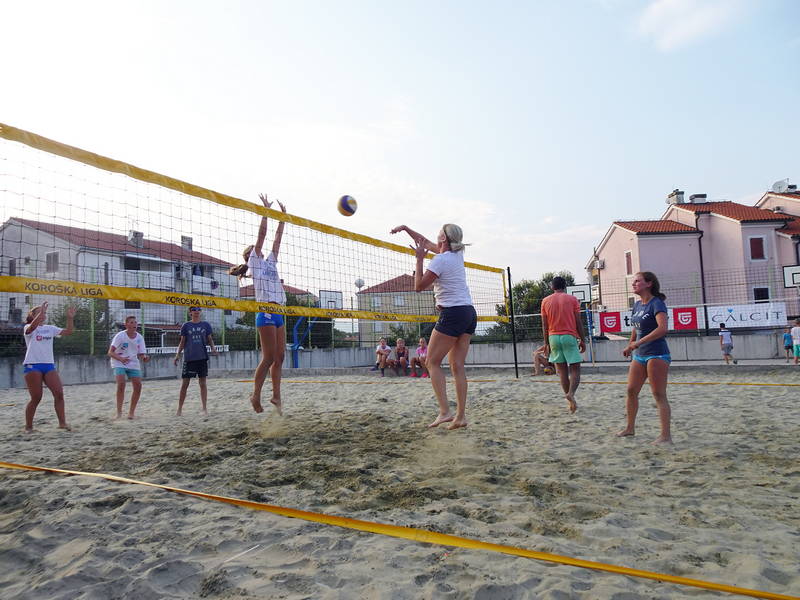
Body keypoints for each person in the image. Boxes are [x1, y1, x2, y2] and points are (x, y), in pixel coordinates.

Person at [391, 223, 475, 430]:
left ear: (444, 238)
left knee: (431, 362)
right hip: (469, 313)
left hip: (452, 313)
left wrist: (419, 259)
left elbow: (419, 287)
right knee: (457, 366)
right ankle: (460, 417)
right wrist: (406, 229)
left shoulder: (440, 260)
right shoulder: (456, 255)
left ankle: (445, 412)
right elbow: (425, 241)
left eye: (439, 233)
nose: (435, 235)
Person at [228, 193, 287, 414]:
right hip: (266, 311)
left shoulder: (270, 261)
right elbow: (262, 235)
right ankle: (255, 395)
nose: (260, 248)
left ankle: (276, 396)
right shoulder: (255, 262)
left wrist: (282, 218)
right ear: (250, 255)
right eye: (256, 248)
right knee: (269, 357)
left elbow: (277, 240)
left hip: (279, 311)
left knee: (280, 357)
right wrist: (265, 212)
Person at [616, 271, 672, 444]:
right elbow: (636, 328)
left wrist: (638, 343)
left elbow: (662, 328)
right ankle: (630, 428)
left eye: (637, 281)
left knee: (658, 394)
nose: (633, 284)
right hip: (639, 355)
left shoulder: (657, 303)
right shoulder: (638, 305)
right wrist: (630, 344)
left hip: (657, 353)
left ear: (649, 283)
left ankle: (665, 436)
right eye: (633, 281)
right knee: (631, 390)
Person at [22, 301, 76, 433]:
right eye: (40, 313)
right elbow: (31, 328)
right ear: (32, 315)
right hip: (33, 365)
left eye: (44, 313)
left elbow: (69, 331)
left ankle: (62, 423)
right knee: (36, 398)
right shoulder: (28, 327)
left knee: (59, 393)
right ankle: (29, 427)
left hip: (48, 365)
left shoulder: (50, 328)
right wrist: (39, 314)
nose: (43, 315)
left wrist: (70, 318)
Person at [541, 276, 586, 412]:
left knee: (562, 372)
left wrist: (546, 343)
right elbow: (578, 322)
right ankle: (571, 394)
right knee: (575, 369)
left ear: (552, 287)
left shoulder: (545, 301)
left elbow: (544, 325)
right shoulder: (572, 299)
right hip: (569, 336)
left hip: (553, 337)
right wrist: (583, 339)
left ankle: (570, 402)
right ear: (565, 286)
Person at [174, 306, 219, 416]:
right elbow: (182, 342)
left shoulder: (205, 325)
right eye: (194, 309)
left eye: (198, 309)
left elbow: (210, 339)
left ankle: (204, 408)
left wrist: (213, 348)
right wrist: (177, 355)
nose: (196, 311)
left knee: (202, 383)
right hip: (189, 358)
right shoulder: (186, 326)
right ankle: (179, 409)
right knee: (185, 384)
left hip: (202, 357)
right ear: (190, 312)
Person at [108, 315, 150, 420]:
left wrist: (144, 358)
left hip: (132, 363)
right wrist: (121, 359)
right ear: (126, 325)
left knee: (138, 386)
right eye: (131, 322)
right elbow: (110, 352)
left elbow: (141, 354)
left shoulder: (139, 338)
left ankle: (131, 413)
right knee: (121, 384)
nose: (134, 324)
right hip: (118, 361)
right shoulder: (120, 336)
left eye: (135, 322)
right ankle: (119, 412)